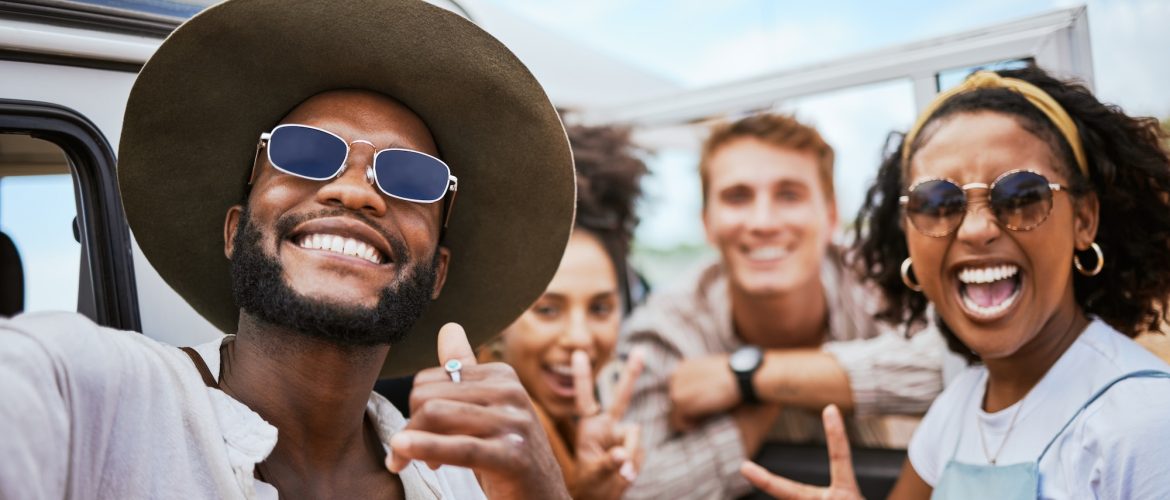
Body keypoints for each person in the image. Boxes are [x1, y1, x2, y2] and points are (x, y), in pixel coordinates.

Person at [0, 0, 578, 498]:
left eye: (410, 176)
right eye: (304, 153)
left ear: (437, 273)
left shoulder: (462, 480)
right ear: (234, 230)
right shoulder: (87, 397)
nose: (355, 191)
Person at [744, 66, 1170, 498]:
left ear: (1083, 220)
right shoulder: (958, 407)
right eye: (938, 203)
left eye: (1021, 195)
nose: (975, 229)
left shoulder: (1144, 424)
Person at [619, 113, 946, 499]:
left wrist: (746, 379)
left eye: (789, 194)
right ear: (707, 222)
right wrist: (766, 405)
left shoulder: (883, 278)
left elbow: (959, 362)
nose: (763, 221)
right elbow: (635, 489)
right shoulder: (666, 325)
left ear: (830, 215)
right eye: (737, 197)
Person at [478, 123, 649, 499]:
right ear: (500, 318)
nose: (579, 338)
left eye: (601, 308)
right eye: (548, 310)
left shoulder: (579, 431)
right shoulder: (483, 438)